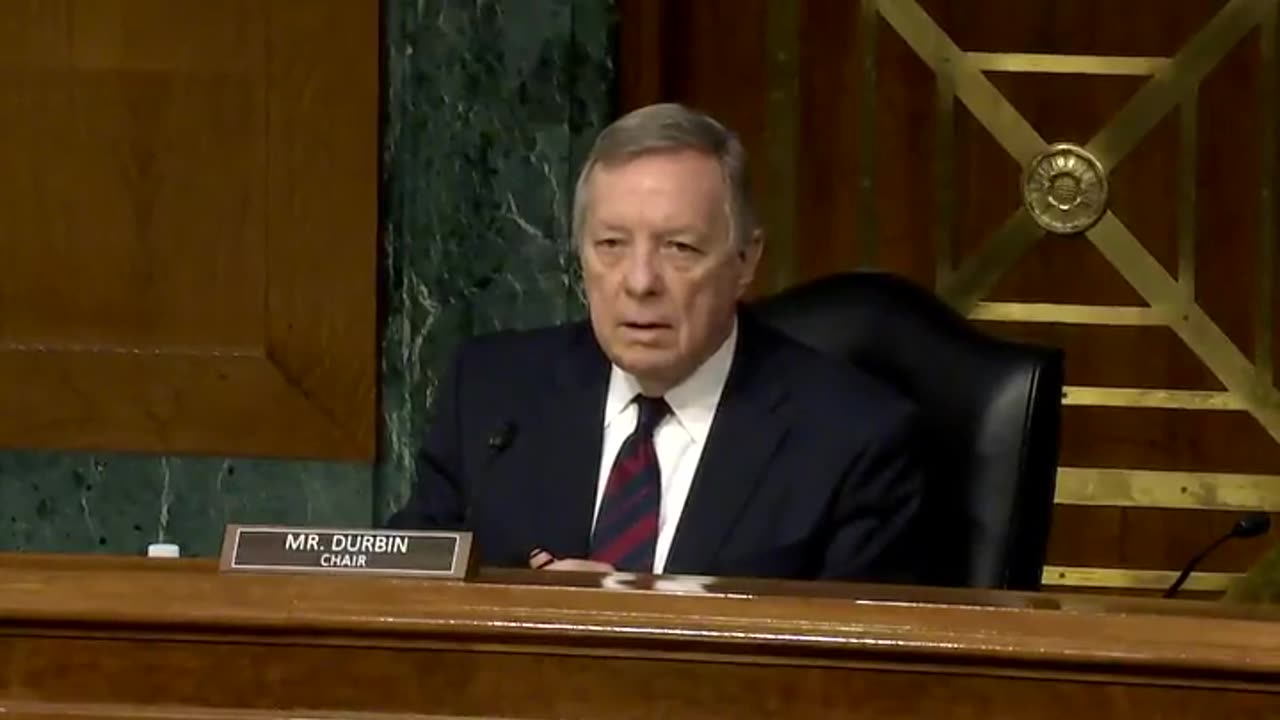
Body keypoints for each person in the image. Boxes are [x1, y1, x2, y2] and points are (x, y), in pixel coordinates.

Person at [387, 102, 924, 582]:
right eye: (611, 245)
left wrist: (633, 627)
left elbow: (853, 680)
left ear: (745, 261)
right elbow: (405, 591)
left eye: (679, 247)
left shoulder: (853, 441)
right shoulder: (491, 395)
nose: (640, 281)